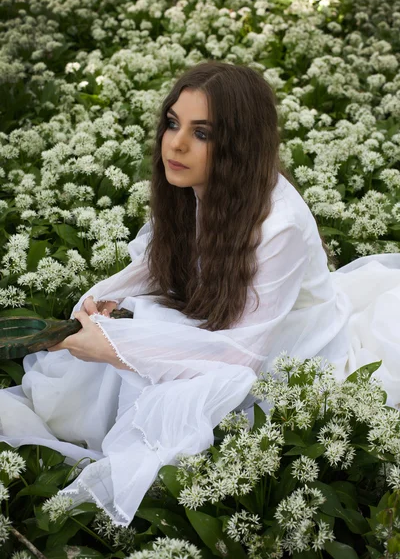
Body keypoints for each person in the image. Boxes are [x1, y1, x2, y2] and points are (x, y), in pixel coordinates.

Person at [0, 61, 400, 526]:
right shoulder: (198, 185)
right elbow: (163, 265)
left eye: (202, 133)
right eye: (173, 123)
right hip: (231, 326)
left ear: (239, 145)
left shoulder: (280, 225)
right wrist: (104, 300)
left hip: (287, 352)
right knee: (134, 320)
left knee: (153, 352)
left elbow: (244, 356)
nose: (177, 143)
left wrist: (118, 348)